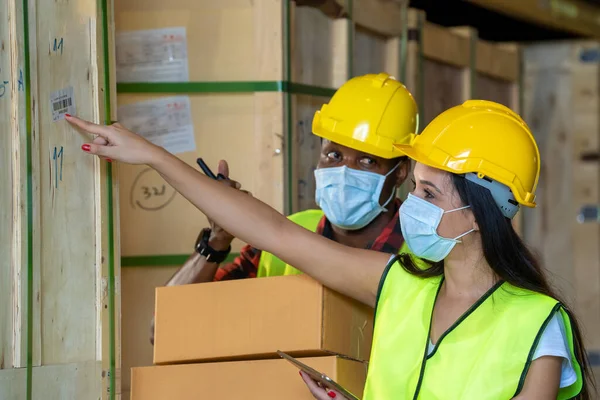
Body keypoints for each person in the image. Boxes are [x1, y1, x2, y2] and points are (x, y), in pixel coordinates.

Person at [66, 97, 594, 399]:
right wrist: (153, 156)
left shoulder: (535, 324)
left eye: (428, 193)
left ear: (480, 212)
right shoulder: (400, 283)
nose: (412, 206)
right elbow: (274, 232)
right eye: (415, 190)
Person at [150, 73, 419, 344]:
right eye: (334, 155)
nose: (344, 173)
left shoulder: (423, 254)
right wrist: (218, 239)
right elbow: (164, 331)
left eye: (367, 161)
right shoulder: (280, 239)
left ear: (400, 172)